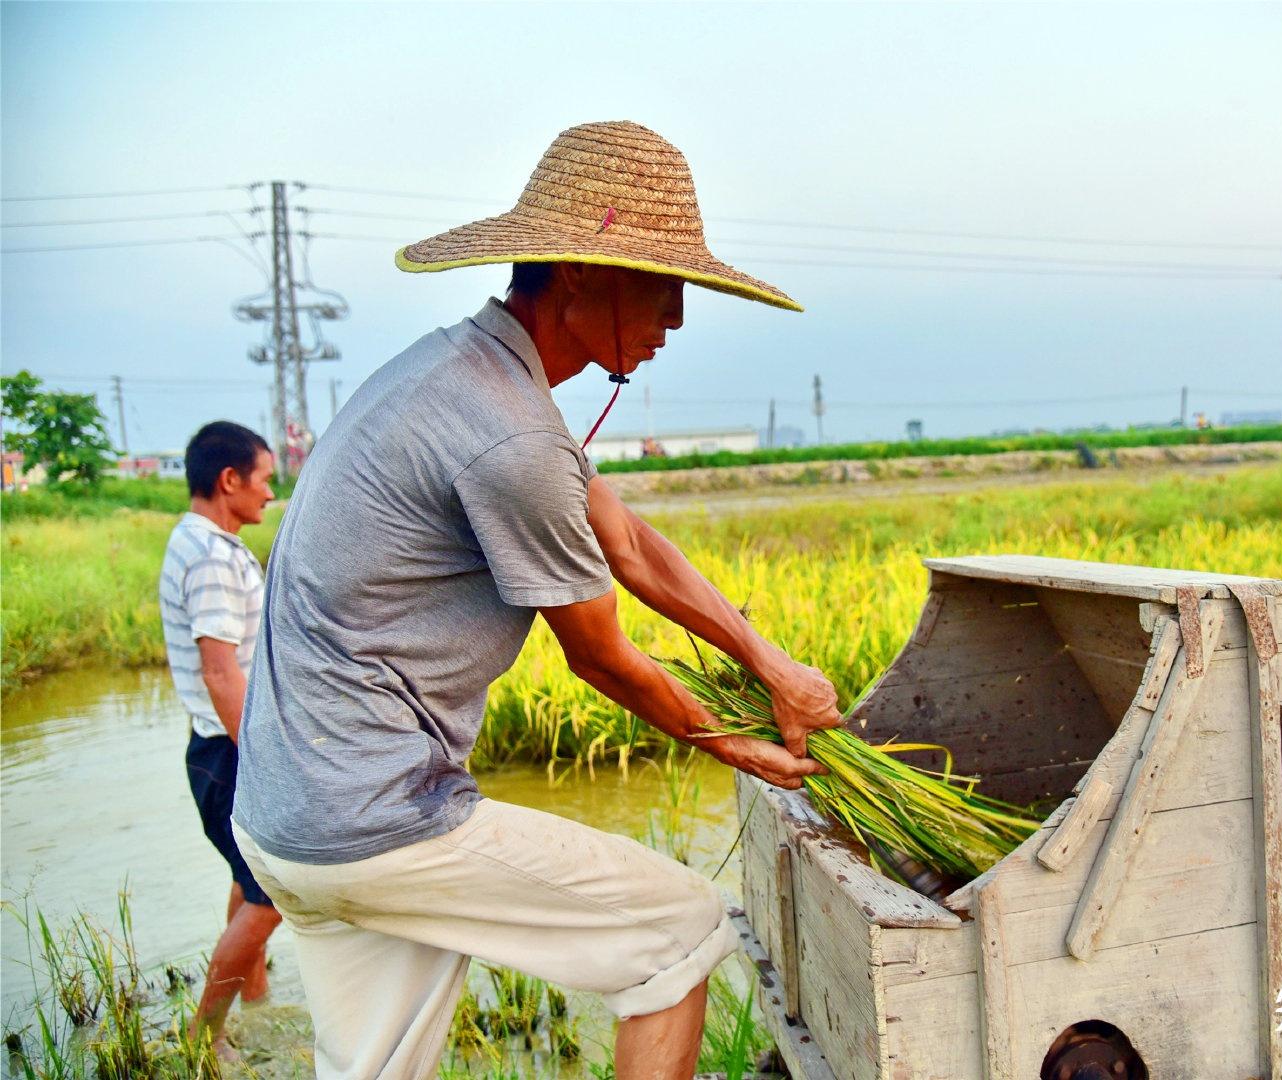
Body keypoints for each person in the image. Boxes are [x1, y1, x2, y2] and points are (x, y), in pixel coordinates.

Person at [231, 121, 842, 1080]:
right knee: (679, 933)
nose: (678, 317)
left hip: (285, 820)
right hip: (376, 815)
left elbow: (627, 541)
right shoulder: (508, 433)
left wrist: (769, 665)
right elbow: (600, 656)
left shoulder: (459, 376)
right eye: (662, 284)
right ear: (580, 273)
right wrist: (736, 742)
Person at [158, 419, 281, 1060]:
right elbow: (219, 670)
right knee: (274, 891)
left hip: (216, 749)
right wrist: (263, 757)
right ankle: (204, 1039)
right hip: (228, 752)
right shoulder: (211, 557)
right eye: (264, 479)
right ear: (230, 480)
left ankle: (256, 1000)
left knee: (248, 877)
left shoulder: (200, 541)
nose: (270, 493)